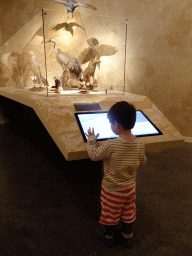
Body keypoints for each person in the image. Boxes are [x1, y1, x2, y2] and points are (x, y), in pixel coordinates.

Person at [86, 101, 147, 248]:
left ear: (116, 124)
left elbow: (94, 155)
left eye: (110, 124)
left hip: (112, 189)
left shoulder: (111, 144)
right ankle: (127, 239)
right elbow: (143, 161)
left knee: (111, 214)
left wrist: (91, 140)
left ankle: (108, 237)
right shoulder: (139, 144)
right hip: (130, 188)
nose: (111, 127)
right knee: (128, 214)